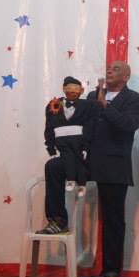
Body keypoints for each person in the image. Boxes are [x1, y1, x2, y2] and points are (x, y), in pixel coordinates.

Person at [86, 60, 139, 277]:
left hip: (114, 166)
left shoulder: (135, 99)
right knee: (55, 172)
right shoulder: (92, 96)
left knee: (112, 220)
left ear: (126, 77)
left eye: (116, 69)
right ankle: (71, 256)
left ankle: (111, 270)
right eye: (109, 68)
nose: (110, 70)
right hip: (88, 164)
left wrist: (105, 106)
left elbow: (128, 125)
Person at [39, 76, 94, 235]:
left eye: (76, 89)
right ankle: (57, 220)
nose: (73, 92)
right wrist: (51, 151)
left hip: (85, 155)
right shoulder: (53, 105)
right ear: (64, 89)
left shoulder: (89, 106)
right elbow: (49, 130)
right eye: (69, 88)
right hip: (64, 152)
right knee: (52, 166)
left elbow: (92, 128)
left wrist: (86, 148)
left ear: (81, 91)